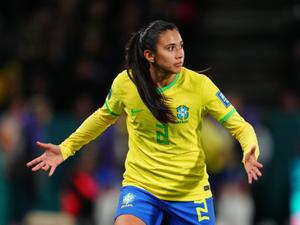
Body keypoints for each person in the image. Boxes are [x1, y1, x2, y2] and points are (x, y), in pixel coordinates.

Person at [26, 20, 263, 225]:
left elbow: (240, 126)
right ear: (150, 55)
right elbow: (102, 117)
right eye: (170, 48)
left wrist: (249, 149)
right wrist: (66, 148)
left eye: (180, 46)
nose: (179, 53)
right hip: (142, 187)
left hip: (189, 192)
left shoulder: (199, 86)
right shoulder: (126, 84)